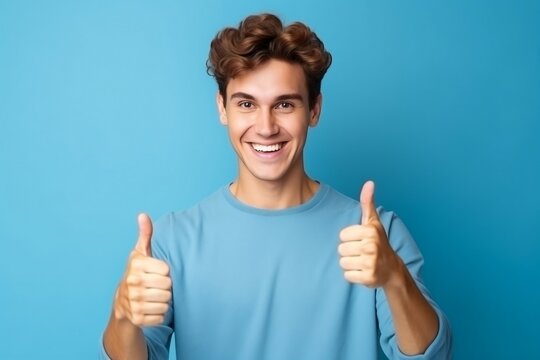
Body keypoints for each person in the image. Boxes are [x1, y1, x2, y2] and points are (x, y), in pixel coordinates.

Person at [100, 13, 452, 360]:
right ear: (222, 108)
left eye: (284, 104)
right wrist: (123, 314)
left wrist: (394, 278)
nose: (265, 127)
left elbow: (430, 356)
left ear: (314, 110)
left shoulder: (376, 235)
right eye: (246, 104)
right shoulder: (173, 240)